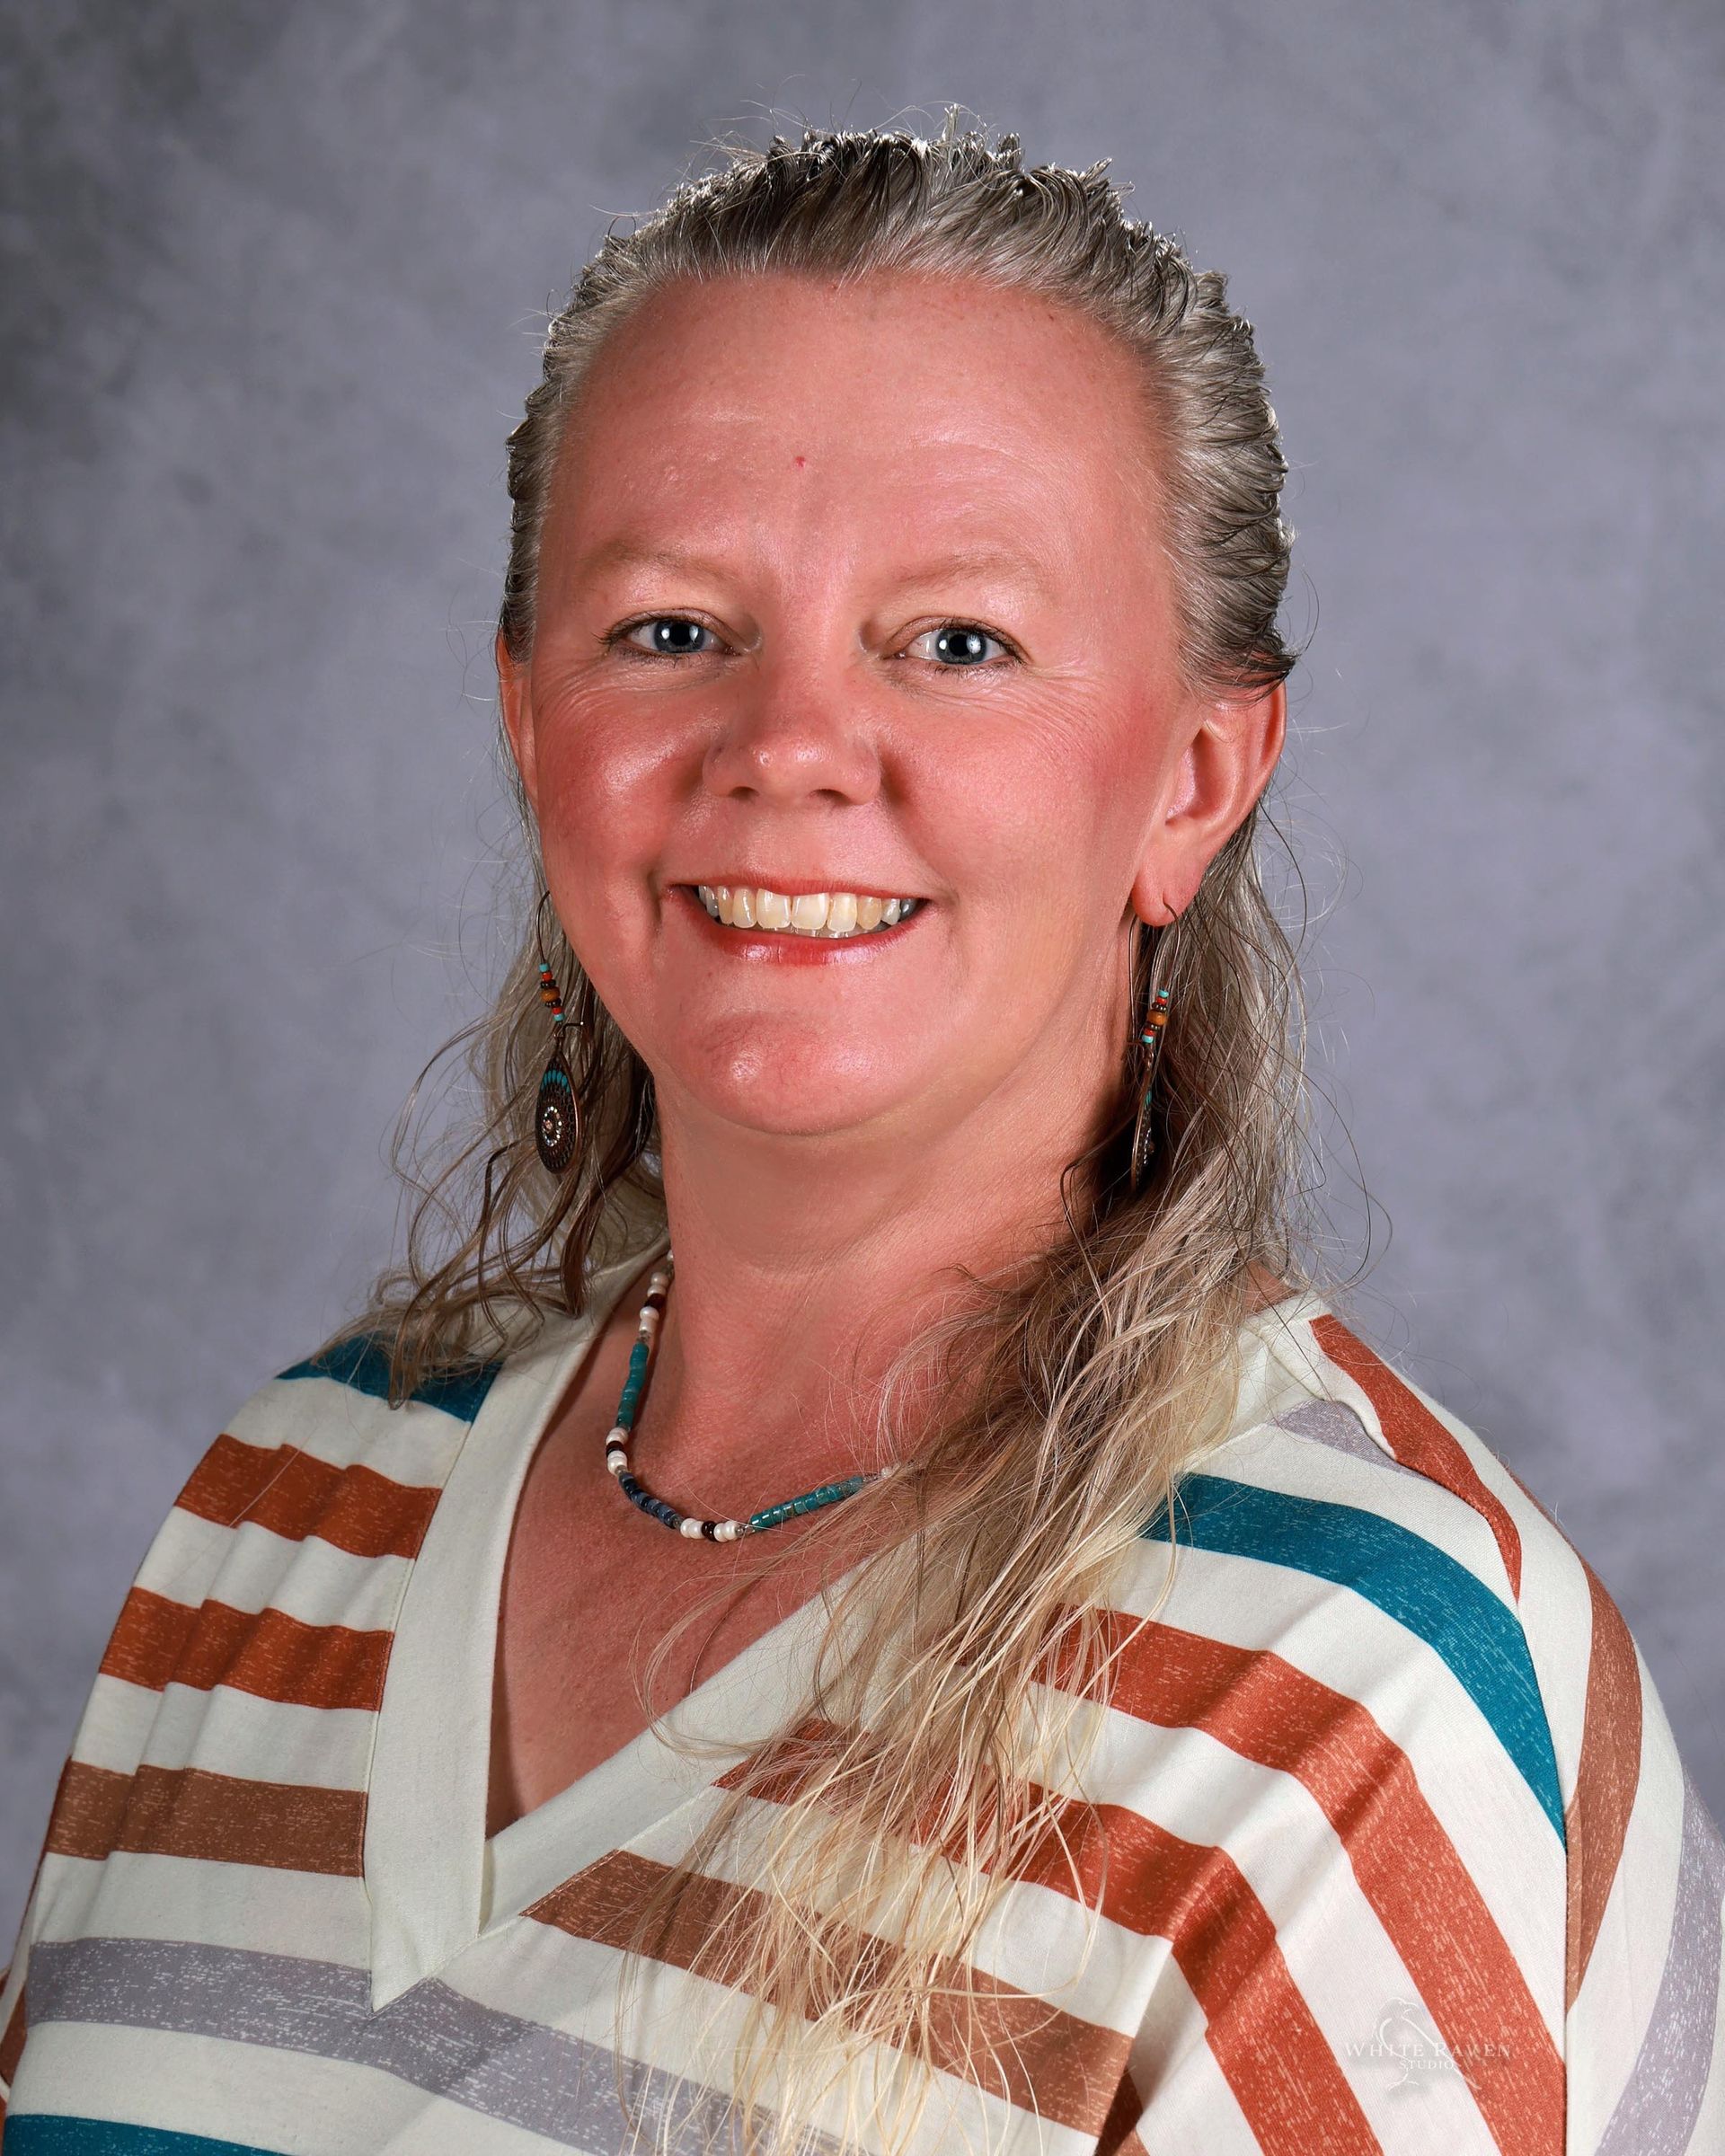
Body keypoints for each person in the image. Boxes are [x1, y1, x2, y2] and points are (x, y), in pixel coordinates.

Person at [1, 114, 1719, 2156]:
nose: (790, 747)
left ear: (1191, 777)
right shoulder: (287, 1519)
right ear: (533, 721)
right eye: (670, 630)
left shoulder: (1358, 1694)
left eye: (958, 643)